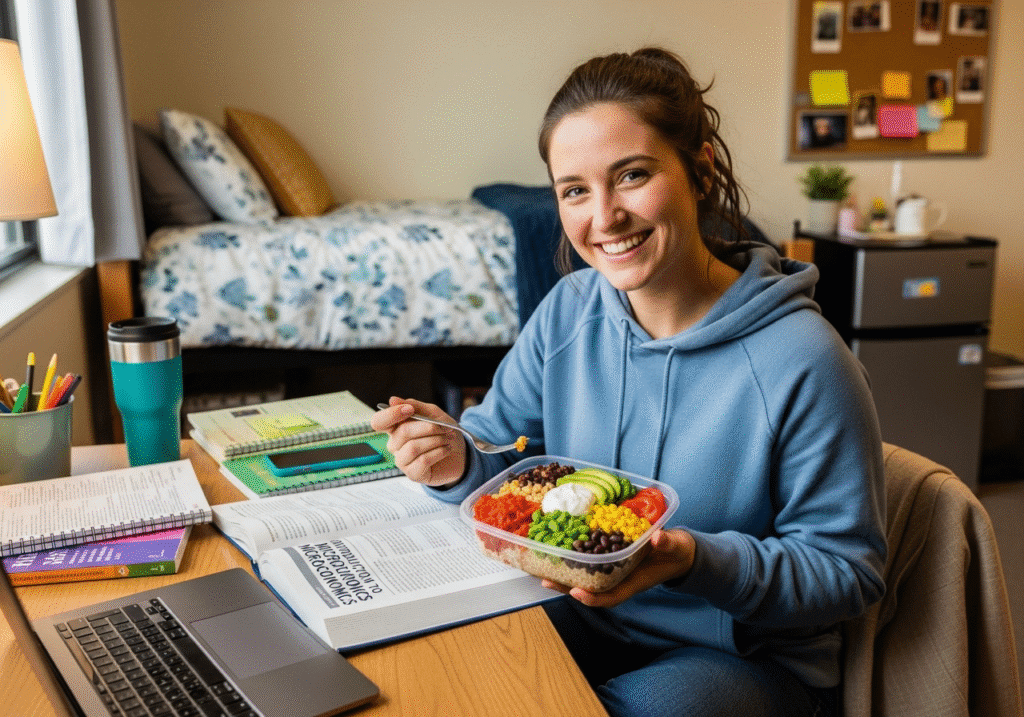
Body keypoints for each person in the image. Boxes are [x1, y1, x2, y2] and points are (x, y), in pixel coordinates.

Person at [372, 47, 886, 717]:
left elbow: (848, 570)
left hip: (743, 661)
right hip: (582, 613)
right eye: (575, 190)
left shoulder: (803, 358)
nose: (605, 216)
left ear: (700, 170)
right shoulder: (567, 310)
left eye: (633, 175)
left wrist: (695, 559)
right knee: (446, 667)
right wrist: (452, 457)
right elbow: (495, 449)